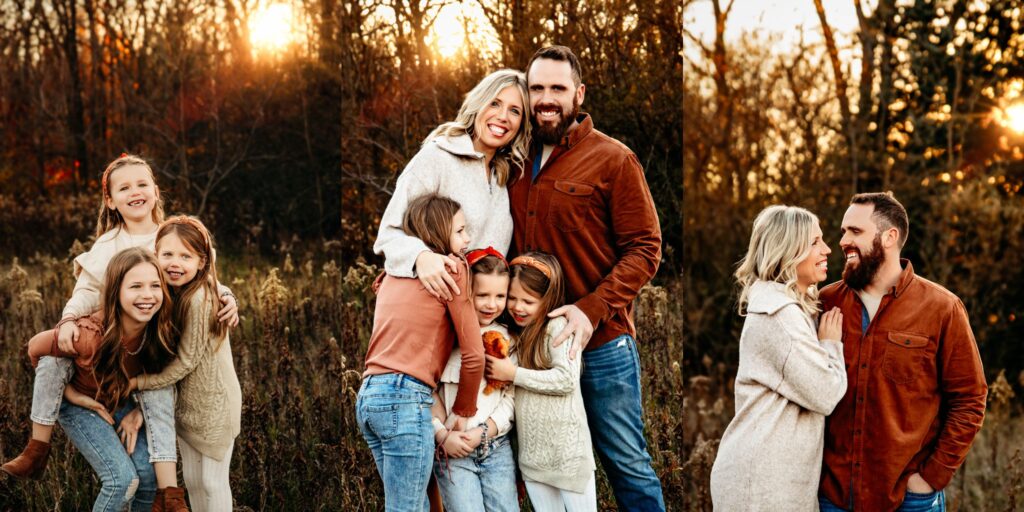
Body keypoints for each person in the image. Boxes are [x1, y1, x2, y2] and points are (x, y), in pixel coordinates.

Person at [0, 154, 236, 505]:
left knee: (151, 472)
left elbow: (201, 274)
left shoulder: (170, 235)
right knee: (61, 358)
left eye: (142, 184)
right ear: (110, 200)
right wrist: (66, 321)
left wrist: (227, 293)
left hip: (154, 352)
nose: (135, 192)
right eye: (124, 188)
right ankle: (39, 445)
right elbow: (82, 295)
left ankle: (167, 493)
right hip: (112, 352)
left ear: (156, 191)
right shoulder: (108, 246)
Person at [507, 45, 664, 510]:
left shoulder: (613, 160)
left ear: (579, 93)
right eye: (537, 88)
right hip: (532, 347)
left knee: (627, 465)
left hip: (600, 346)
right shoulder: (513, 160)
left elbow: (645, 249)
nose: (546, 99)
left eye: (557, 88)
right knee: (541, 469)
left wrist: (590, 309)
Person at [818, 192, 987, 512]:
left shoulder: (941, 308)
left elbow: (970, 398)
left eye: (855, 231)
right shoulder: (826, 302)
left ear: (889, 237)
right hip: (833, 498)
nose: (842, 241)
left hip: (908, 500)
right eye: (843, 231)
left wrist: (931, 478)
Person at [709, 205, 847, 510]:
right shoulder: (779, 317)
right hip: (762, 485)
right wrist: (831, 346)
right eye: (814, 242)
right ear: (788, 251)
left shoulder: (787, 308)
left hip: (774, 479)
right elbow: (824, 394)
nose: (826, 249)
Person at [25, 247, 181, 511]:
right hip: (79, 402)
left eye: (155, 285)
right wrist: (71, 395)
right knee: (122, 480)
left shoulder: (162, 331)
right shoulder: (88, 335)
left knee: (148, 477)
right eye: (135, 286)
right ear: (115, 292)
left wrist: (140, 413)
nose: (147, 295)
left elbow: (165, 379)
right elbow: (35, 350)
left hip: (119, 400)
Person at [358, 194, 485, 511]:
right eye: (459, 231)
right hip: (404, 397)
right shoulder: (453, 270)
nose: (467, 238)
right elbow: (474, 354)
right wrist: (463, 411)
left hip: (368, 397)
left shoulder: (389, 275)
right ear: (439, 234)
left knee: (404, 505)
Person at [373, 69, 529, 300]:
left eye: (514, 111)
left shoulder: (504, 175)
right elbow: (388, 233)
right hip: (427, 305)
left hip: (475, 314)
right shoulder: (437, 157)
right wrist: (420, 257)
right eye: (495, 103)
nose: (503, 116)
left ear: (521, 124)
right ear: (478, 104)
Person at [129, 216, 242, 512]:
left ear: (201, 262)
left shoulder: (200, 298)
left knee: (212, 482)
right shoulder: (169, 293)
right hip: (188, 406)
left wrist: (140, 383)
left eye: (185, 256)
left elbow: (187, 361)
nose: (174, 263)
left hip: (215, 406)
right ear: (156, 255)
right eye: (167, 254)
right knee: (192, 481)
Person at [486, 252, 596, 511]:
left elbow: (566, 379)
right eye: (512, 298)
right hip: (533, 458)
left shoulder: (557, 327)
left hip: (567, 455)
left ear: (547, 300)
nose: (518, 307)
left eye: (528, 301)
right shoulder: (514, 337)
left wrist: (513, 374)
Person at [431, 247, 518, 512]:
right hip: (453, 452)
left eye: (500, 296)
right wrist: (441, 434)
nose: (492, 304)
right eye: (482, 295)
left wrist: (486, 431)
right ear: (467, 294)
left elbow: (512, 399)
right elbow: (427, 392)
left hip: (496, 447)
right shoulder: (446, 338)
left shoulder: (508, 340)